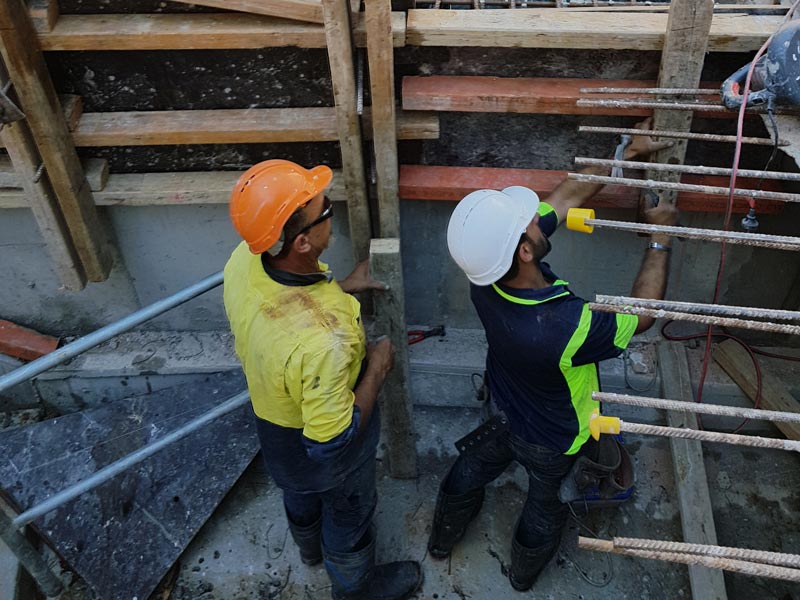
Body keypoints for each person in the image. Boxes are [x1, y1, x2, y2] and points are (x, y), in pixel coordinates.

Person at [428, 121, 678, 591]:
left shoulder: (486, 275)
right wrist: (660, 237)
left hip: (502, 410)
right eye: (527, 223)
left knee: (472, 469)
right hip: (554, 438)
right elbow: (643, 315)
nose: (538, 217)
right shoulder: (568, 325)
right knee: (544, 504)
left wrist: (625, 153)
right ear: (526, 249)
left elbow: (563, 199)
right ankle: (522, 578)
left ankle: (441, 541)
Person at [223, 159, 422, 600]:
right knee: (347, 513)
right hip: (325, 455)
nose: (331, 212)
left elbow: (282, 309)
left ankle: (309, 551)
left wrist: (339, 288)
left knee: (297, 494)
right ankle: (355, 589)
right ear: (302, 241)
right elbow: (332, 439)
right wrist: (376, 369)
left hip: (275, 431)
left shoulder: (246, 261)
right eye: (325, 211)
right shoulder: (326, 343)